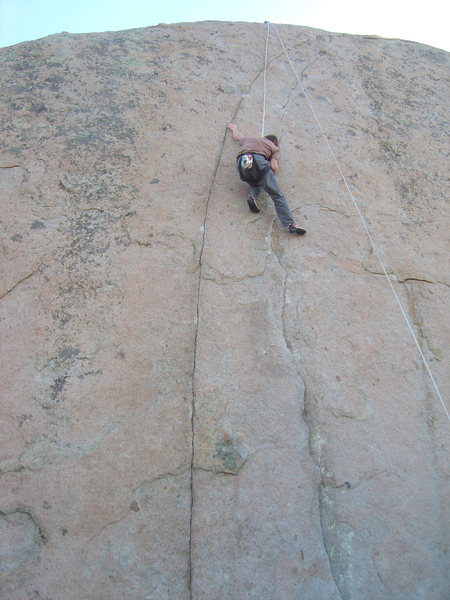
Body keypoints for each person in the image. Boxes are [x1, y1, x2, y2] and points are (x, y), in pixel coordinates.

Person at [227, 123, 306, 235]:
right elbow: (273, 165)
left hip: (242, 163)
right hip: (259, 161)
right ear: (274, 142)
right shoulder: (274, 148)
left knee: (256, 182)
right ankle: (291, 224)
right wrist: (271, 173)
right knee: (277, 195)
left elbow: (238, 136)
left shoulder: (250, 140)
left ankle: (252, 196)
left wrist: (234, 128)